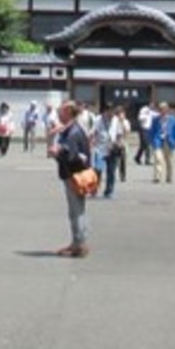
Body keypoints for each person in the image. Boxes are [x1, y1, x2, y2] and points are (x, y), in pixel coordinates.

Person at [50, 100, 92, 257]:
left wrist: (57, 152)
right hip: (75, 174)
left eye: (61, 111)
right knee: (76, 210)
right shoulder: (71, 129)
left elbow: (71, 156)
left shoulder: (73, 132)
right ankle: (77, 242)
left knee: (76, 211)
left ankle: (80, 244)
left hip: (75, 176)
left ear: (68, 112)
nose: (59, 114)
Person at [101, 107, 128, 196]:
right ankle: (95, 187)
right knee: (98, 169)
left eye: (111, 111)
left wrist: (119, 143)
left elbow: (119, 133)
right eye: (108, 111)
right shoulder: (99, 119)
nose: (110, 113)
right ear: (105, 111)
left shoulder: (116, 120)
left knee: (111, 169)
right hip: (101, 146)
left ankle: (109, 189)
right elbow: (93, 132)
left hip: (113, 147)